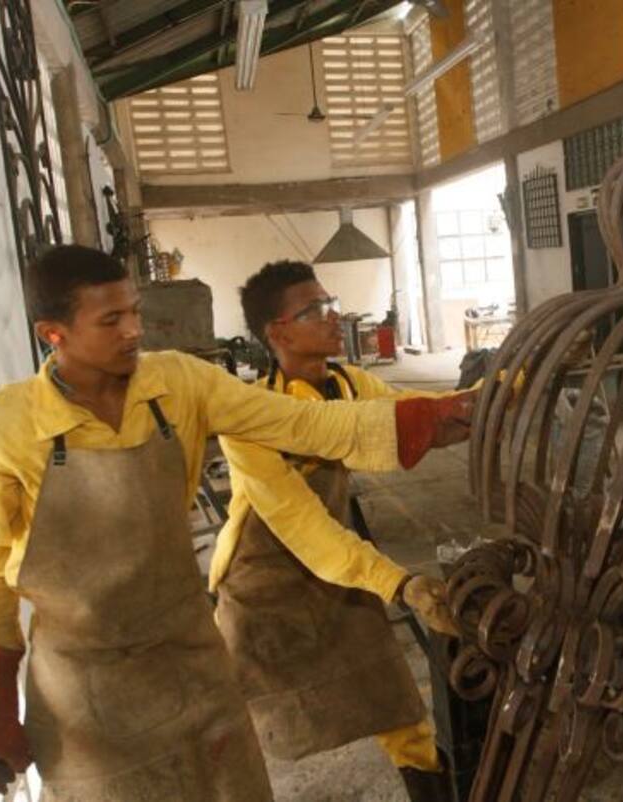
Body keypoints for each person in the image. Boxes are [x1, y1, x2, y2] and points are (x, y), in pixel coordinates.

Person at [0, 245, 471, 800]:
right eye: (111, 320)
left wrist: (454, 413)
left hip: (193, 662)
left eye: (134, 312)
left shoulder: (177, 384)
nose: (134, 330)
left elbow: (307, 425)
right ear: (52, 333)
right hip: (87, 692)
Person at [210, 261, 475, 801]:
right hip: (265, 586)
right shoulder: (250, 417)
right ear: (278, 332)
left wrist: (508, 387)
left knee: (397, 708)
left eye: (331, 303)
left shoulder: (348, 384)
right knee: (242, 723)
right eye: (316, 310)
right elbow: (304, 528)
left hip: (336, 574)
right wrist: (400, 584)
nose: (336, 318)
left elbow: (419, 415)